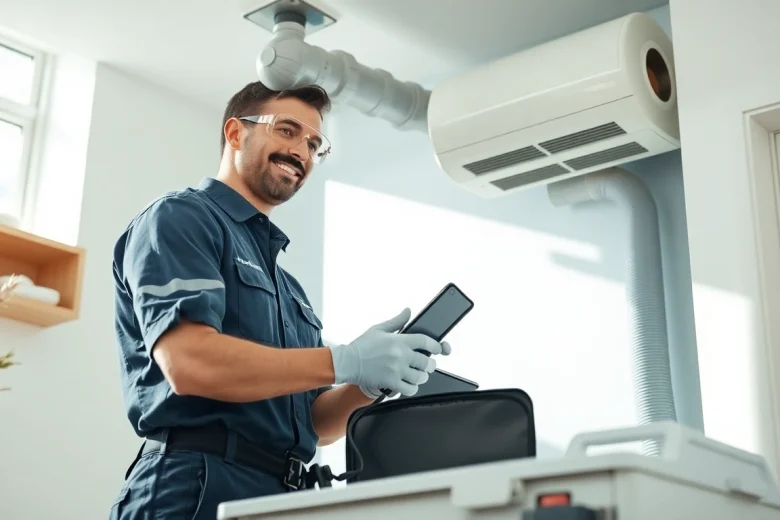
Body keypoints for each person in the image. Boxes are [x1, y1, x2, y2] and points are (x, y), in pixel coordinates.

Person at [109, 80, 452, 519]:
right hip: (196, 485)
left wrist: (368, 384)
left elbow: (314, 425)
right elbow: (192, 363)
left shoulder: (289, 288)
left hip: (281, 495)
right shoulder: (181, 219)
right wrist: (344, 358)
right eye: (287, 130)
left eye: (313, 143)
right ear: (236, 133)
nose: (302, 152)